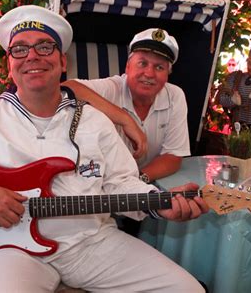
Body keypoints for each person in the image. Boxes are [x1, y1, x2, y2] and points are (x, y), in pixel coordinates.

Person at [0, 5, 208, 292]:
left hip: (91, 243)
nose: (32, 56)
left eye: (45, 46)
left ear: (62, 62)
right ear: (10, 65)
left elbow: (121, 182)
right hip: (11, 250)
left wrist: (159, 202)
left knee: (187, 289)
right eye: (20, 49)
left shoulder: (94, 122)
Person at [63, 28, 190, 183]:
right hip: (101, 182)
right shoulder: (112, 88)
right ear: (128, 67)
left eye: (159, 67)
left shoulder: (175, 96)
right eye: (142, 63)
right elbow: (68, 87)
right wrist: (125, 119)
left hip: (143, 182)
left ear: (167, 75)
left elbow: (173, 156)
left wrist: (136, 181)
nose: (149, 73)